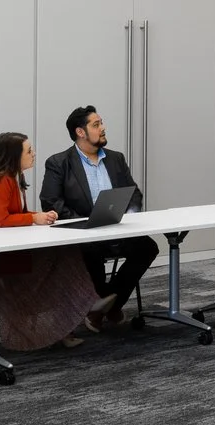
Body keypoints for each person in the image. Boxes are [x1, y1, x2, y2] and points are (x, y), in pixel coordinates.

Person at [0, 132, 102, 349]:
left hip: (13, 248)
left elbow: (16, 215)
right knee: (62, 260)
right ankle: (85, 306)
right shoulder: (0, 180)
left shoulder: (15, 178)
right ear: (13, 156)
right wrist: (34, 218)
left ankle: (80, 310)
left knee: (66, 253)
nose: (33, 154)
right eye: (28, 151)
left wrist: (39, 216)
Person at [39, 105, 156, 323]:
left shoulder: (116, 159)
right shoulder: (59, 163)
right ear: (80, 132)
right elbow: (50, 200)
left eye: (101, 123)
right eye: (96, 124)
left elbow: (134, 194)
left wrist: (128, 214)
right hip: (82, 233)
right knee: (89, 250)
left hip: (115, 228)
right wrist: (83, 223)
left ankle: (107, 304)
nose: (103, 128)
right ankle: (104, 305)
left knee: (147, 247)